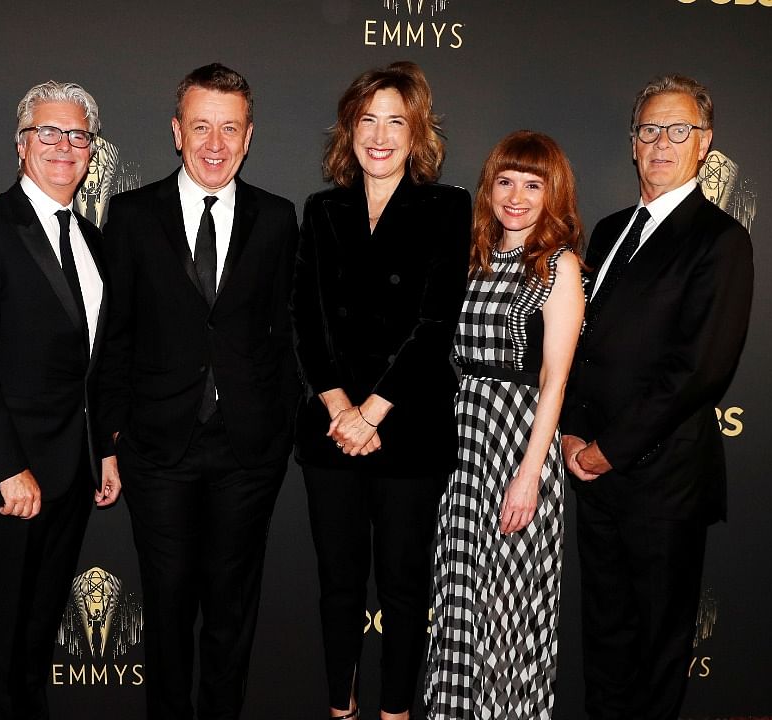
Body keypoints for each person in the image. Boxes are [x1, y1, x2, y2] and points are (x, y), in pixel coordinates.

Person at [97, 62, 299, 720]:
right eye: (202, 127)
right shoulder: (129, 215)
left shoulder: (276, 218)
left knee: (230, 616)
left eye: (230, 129)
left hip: (247, 454)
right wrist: (109, 443)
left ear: (248, 137)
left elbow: (287, 336)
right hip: (158, 451)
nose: (216, 144)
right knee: (167, 609)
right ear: (177, 132)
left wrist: (276, 436)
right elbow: (114, 338)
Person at [561, 75, 754, 719]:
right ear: (633, 143)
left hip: (662, 481)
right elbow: (583, 345)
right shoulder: (613, 228)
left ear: (704, 145)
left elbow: (699, 369)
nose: (662, 142)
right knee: (606, 639)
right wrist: (571, 432)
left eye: (679, 130)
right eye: (649, 129)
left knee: (657, 647)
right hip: (593, 475)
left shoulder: (721, 240)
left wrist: (609, 450)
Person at [291, 62, 468, 720]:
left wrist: (373, 412)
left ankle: (395, 712)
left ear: (418, 132)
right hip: (330, 432)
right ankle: (342, 706)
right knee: (338, 585)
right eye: (368, 119)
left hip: (410, 429)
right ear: (350, 129)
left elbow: (433, 323)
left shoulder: (446, 207)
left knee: (401, 584)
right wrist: (341, 409)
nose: (381, 134)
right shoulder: (323, 209)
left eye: (397, 120)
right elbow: (304, 321)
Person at [0, 80, 120, 720]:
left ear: (91, 149)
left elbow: (95, 366)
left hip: (72, 470)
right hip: (9, 475)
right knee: (3, 634)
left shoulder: (96, 241)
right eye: (48, 132)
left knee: (38, 633)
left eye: (77, 135)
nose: (63, 146)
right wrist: (5, 467)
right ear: (21, 145)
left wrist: (106, 450)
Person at [423, 131, 585, 718]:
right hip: (459, 443)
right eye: (506, 181)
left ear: (553, 193)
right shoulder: (473, 256)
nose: (516, 196)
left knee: (506, 607)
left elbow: (555, 381)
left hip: (518, 444)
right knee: (458, 599)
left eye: (533, 185)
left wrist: (530, 473)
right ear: (490, 187)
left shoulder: (559, 266)